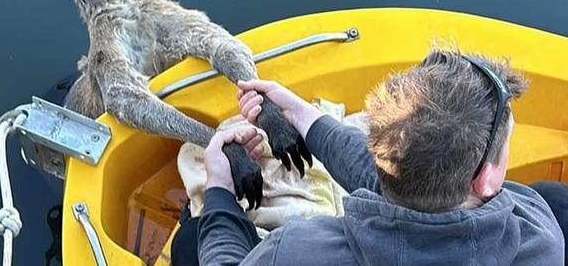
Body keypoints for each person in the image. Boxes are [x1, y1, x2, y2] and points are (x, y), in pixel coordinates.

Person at [173, 48, 565, 265]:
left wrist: (221, 191)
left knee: (192, 239)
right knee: (558, 199)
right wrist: (301, 116)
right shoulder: (539, 240)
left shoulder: (294, 251)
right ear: (487, 180)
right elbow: (389, 175)